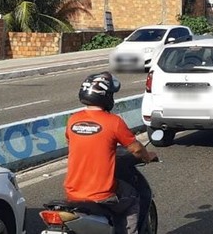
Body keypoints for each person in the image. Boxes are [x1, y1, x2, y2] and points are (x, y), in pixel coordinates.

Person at [65, 72, 158, 234]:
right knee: (133, 197)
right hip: (102, 193)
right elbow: (135, 148)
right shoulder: (113, 122)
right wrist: (148, 156)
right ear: (106, 96)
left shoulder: (73, 120)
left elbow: (75, 143)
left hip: (73, 192)